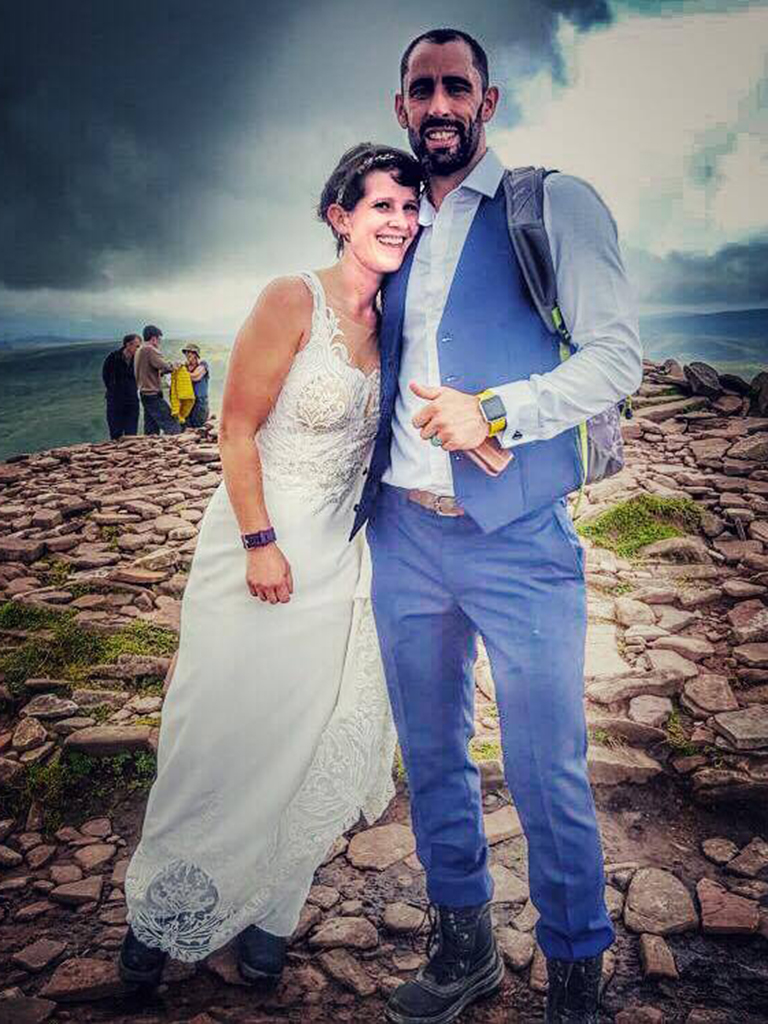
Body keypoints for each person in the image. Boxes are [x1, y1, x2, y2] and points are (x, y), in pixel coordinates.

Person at [352, 29, 643, 1024]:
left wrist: (499, 411)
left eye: (457, 86)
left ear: (489, 101)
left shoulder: (551, 204)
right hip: (404, 537)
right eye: (421, 88)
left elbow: (616, 357)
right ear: (401, 106)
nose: (439, 103)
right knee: (432, 754)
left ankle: (576, 976)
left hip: (520, 540)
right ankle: (464, 948)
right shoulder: (391, 223)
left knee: (545, 764)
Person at [118, 144, 421, 986]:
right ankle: (162, 914)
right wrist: (259, 542)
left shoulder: (399, 317)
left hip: (339, 560)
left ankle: (271, 915)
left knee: (302, 737)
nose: (400, 221)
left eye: (409, 208)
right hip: (258, 544)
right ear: (340, 217)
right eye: (382, 206)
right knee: (215, 730)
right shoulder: (293, 298)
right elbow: (235, 429)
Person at [134, 324, 182, 435]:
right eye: (159, 339)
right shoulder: (150, 349)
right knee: (171, 423)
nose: (159, 342)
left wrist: (164, 372)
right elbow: (166, 366)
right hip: (152, 394)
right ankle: (178, 443)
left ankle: (150, 444)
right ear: (154, 338)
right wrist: (176, 365)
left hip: (144, 393)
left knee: (151, 426)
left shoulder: (140, 350)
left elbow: (150, 371)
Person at [102, 333, 141, 439]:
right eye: (137, 346)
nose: (139, 349)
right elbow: (105, 375)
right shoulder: (113, 357)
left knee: (132, 433)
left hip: (132, 400)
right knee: (115, 432)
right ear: (128, 344)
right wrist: (113, 389)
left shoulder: (138, 359)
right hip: (115, 401)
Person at [181, 343, 210, 427]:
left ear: (195, 354)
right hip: (187, 402)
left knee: (198, 425)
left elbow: (195, 376)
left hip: (200, 402)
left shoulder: (203, 365)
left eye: (190, 352)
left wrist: (181, 374)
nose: (187, 354)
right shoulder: (185, 367)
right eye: (186, 352)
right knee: (187, 426)